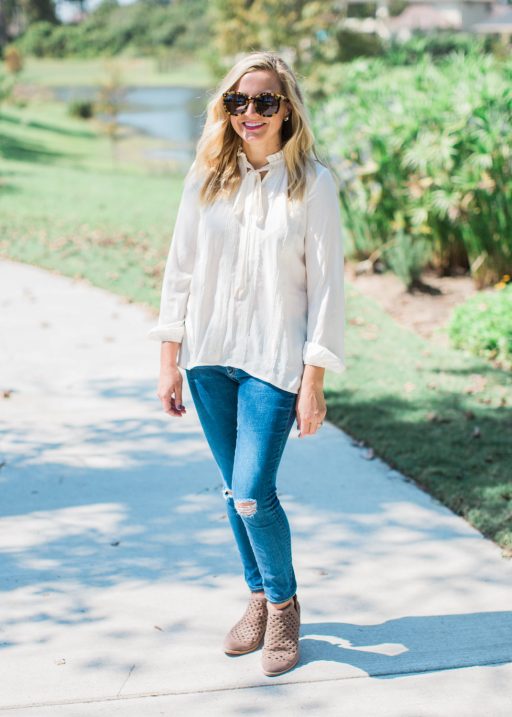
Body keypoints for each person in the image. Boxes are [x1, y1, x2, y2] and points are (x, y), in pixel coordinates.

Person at [148, 50, 345, 677]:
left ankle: (284, 606)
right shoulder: (206, 175)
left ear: (286, 107)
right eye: (238, 101)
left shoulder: (313, 182)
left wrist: (314, 380)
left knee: (255, 494)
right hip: (208, 356)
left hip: (272, 358)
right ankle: (256, 597)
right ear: (224, 108)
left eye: (263, 101)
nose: (250, 114)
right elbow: (179, 270)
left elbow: (328, 288)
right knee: (236, 491)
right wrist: (168, 359)